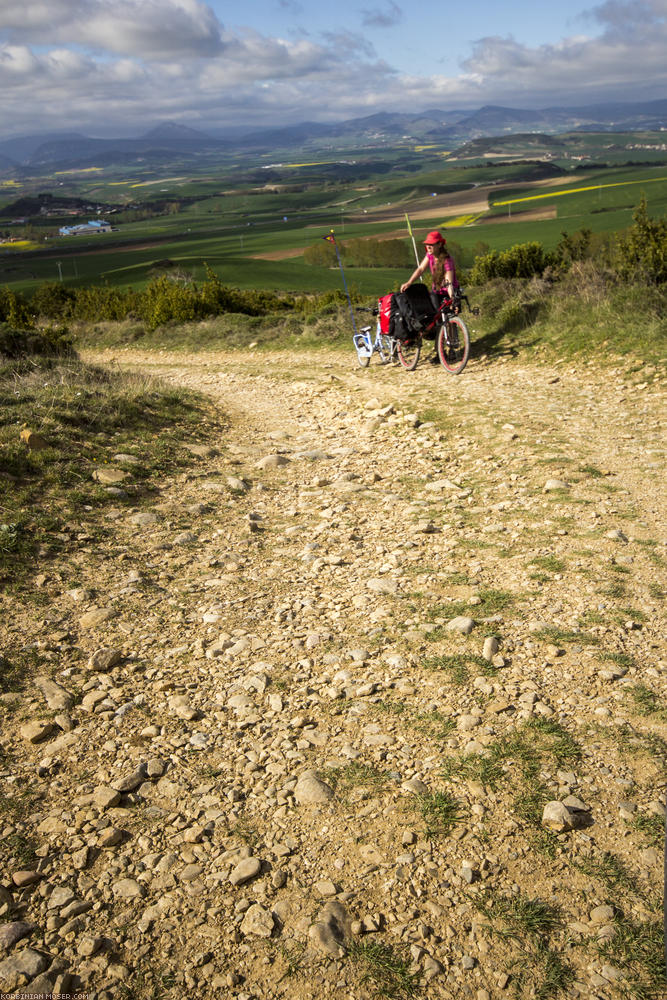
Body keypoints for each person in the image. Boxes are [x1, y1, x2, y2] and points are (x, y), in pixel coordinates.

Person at [400, 230, 459, 309]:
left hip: (449, 292)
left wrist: (452, 298)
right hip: (437, 292)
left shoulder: (447, 260)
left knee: (445, 316)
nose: (428, 247)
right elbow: (421, 269)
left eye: (431, 244)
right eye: (427, 244)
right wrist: (409, 283)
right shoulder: (430, 255)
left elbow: (449, 284)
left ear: (439, 244)